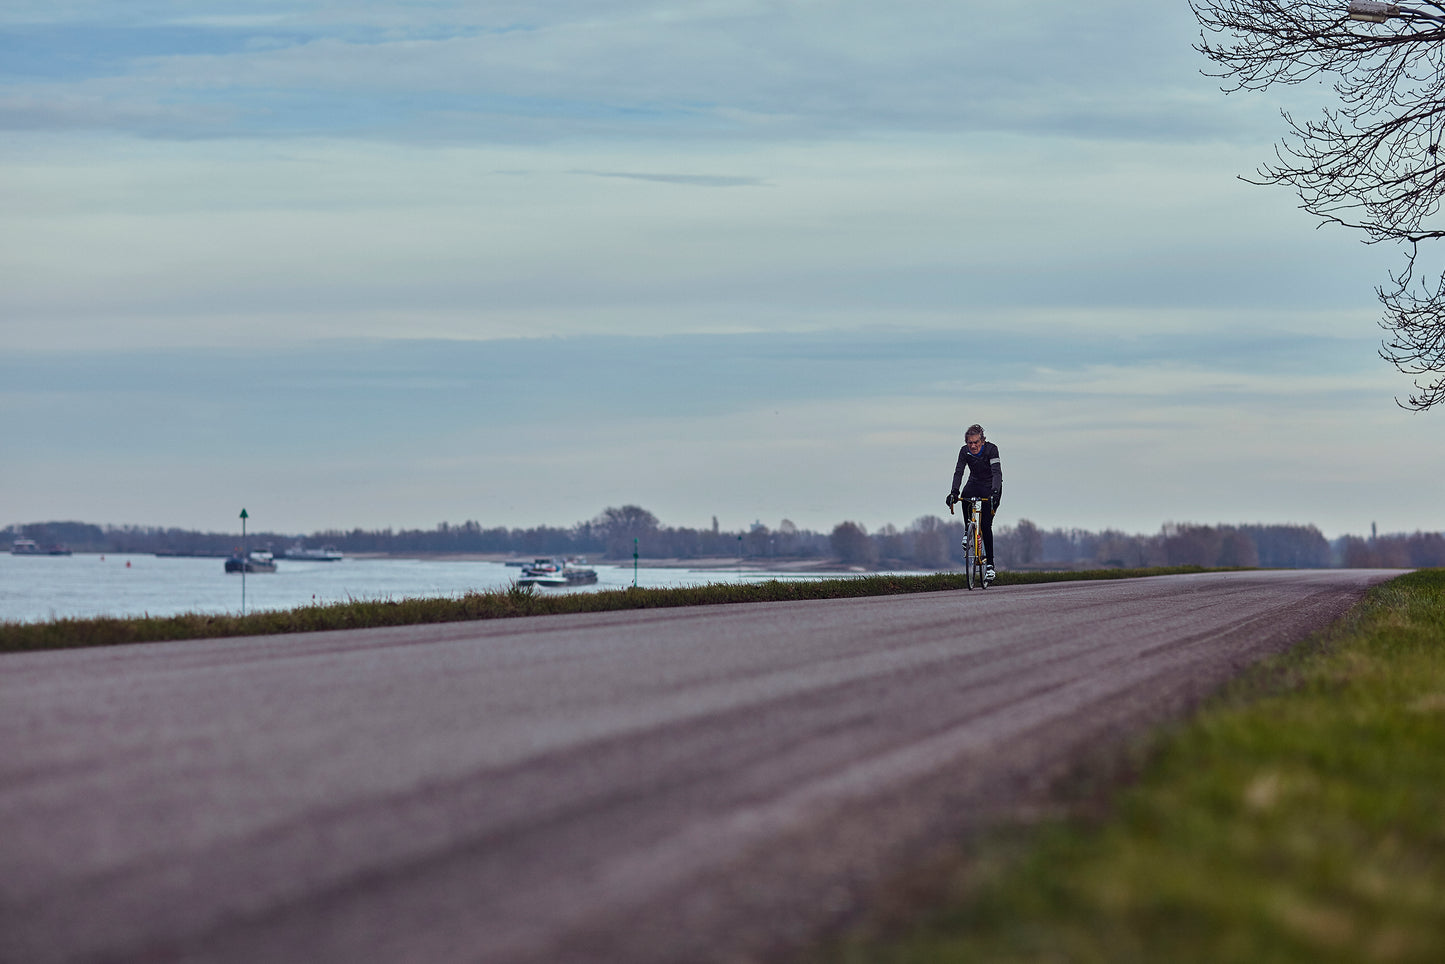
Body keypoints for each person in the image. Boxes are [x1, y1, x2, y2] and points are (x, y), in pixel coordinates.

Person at [946, 423, 1002, 584]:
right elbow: (959, 471)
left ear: (982, 441)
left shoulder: (992, 450)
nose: (973, 446)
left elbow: (997, 472)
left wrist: (995, 493)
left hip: (991, 486)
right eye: (970, 443)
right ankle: (967, 532)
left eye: (976, 442)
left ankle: (990, 565)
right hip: (975, 482)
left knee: (985, 525)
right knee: (965, 496)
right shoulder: (964, 452)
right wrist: (953, 492)